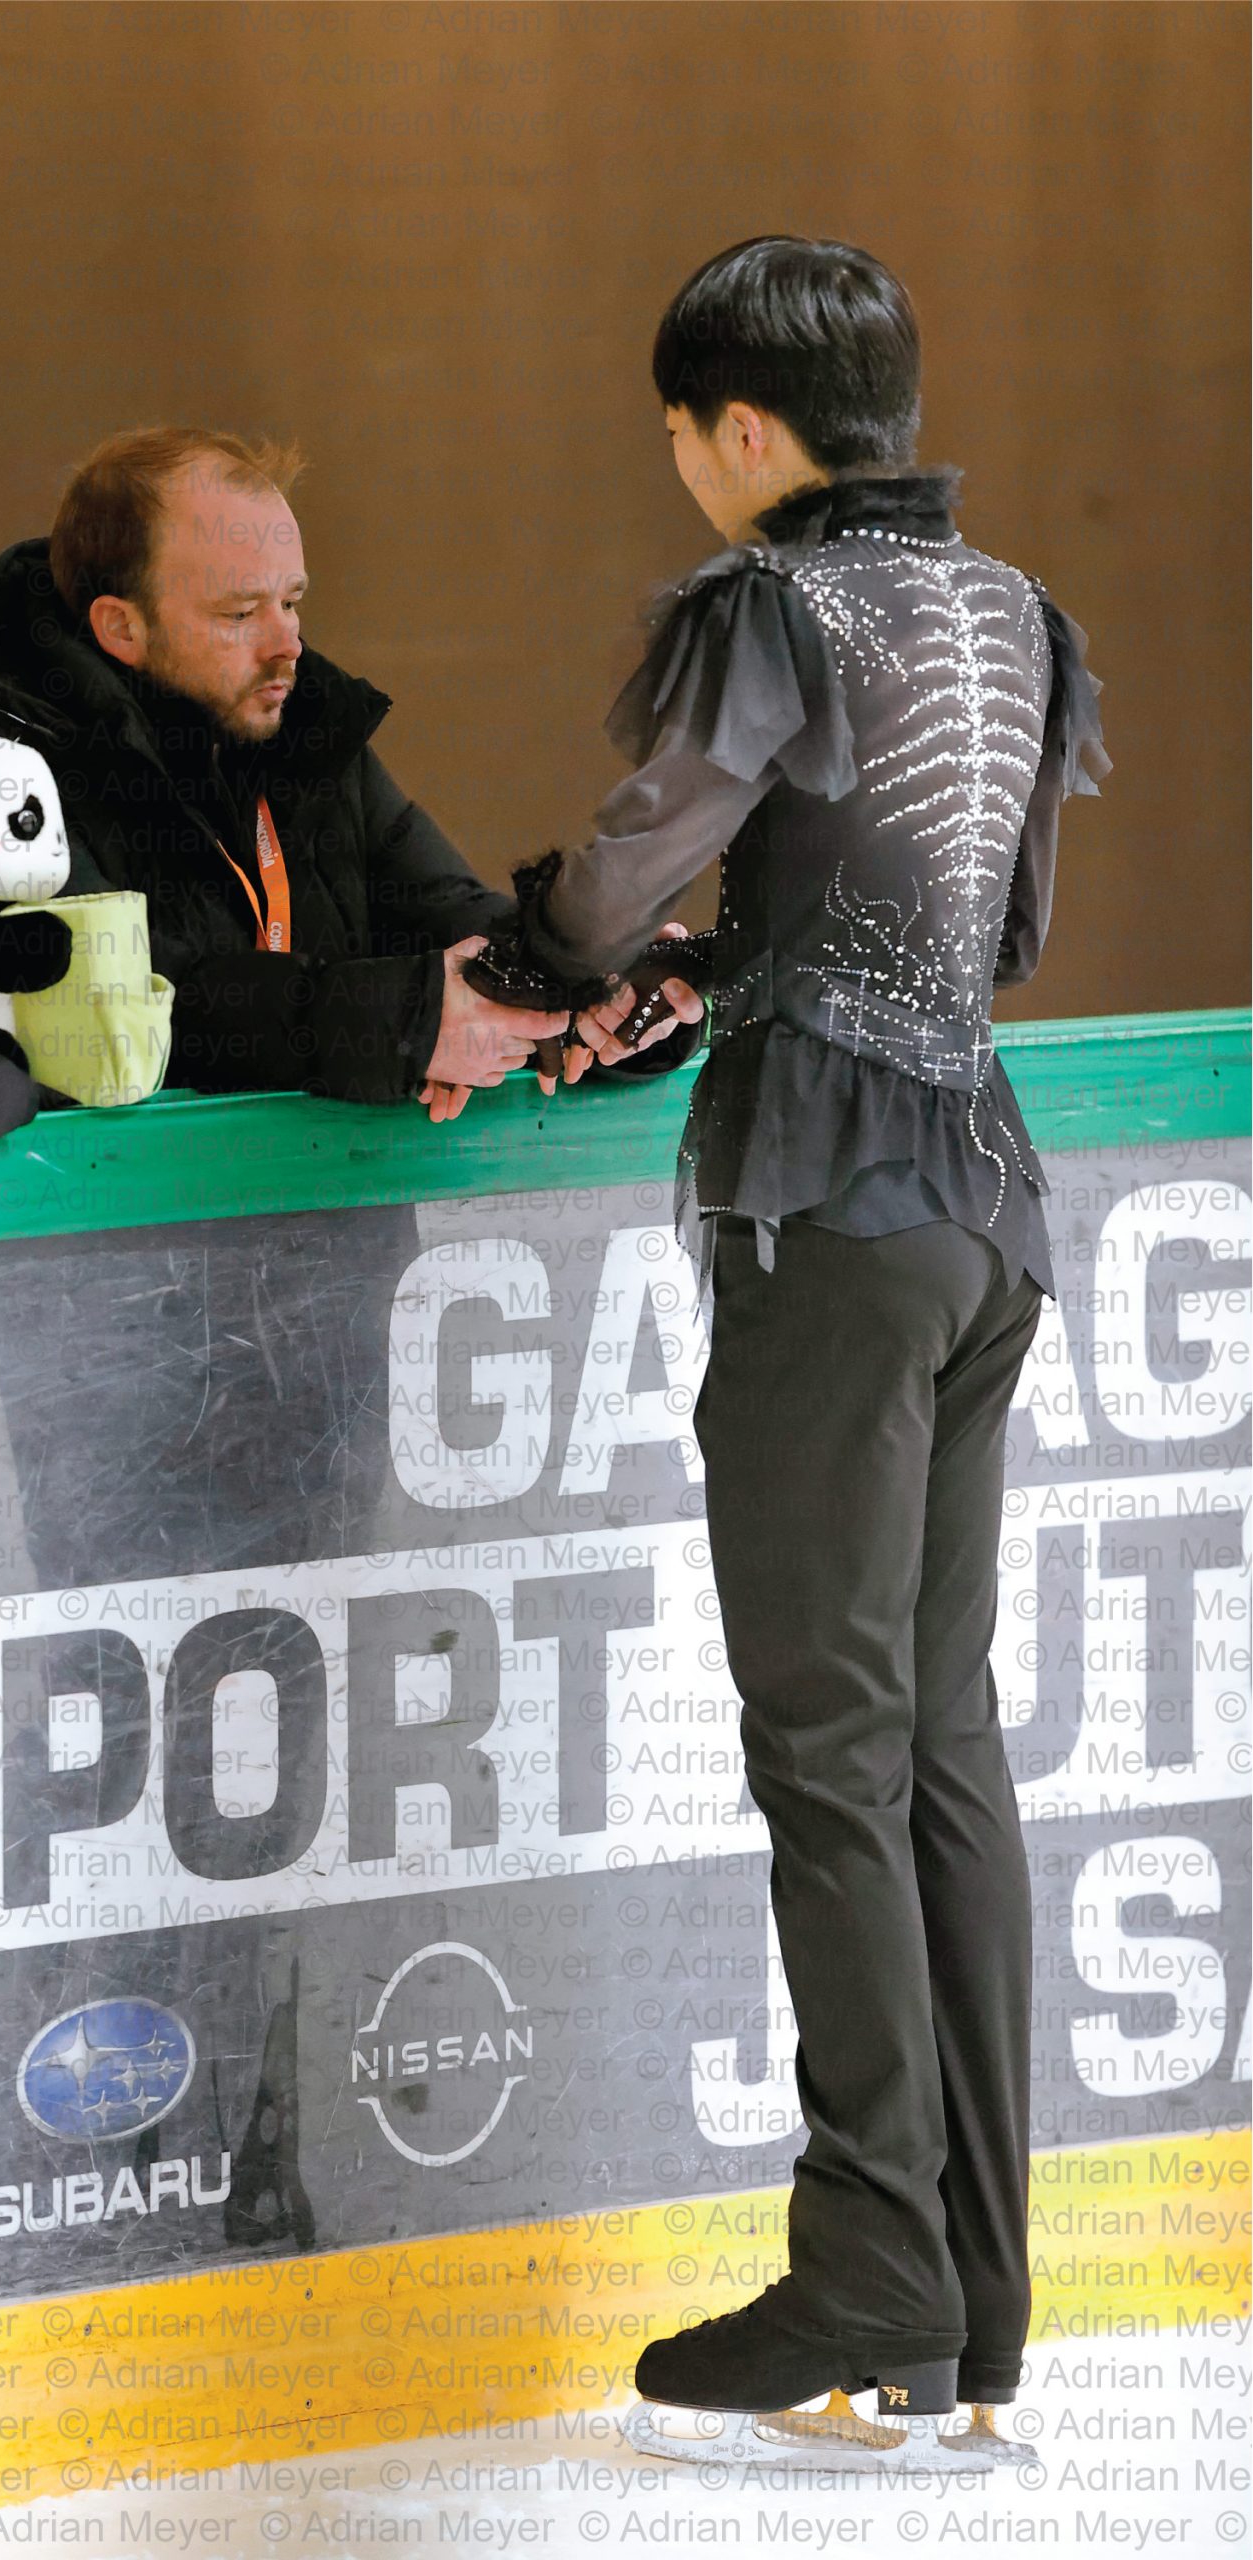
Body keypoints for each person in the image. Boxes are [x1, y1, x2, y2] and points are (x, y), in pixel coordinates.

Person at [474, 236, 1109, 2427]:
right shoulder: (1016, 615)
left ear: (738, 429)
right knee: (936, 1743)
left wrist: (553, 948)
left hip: (825, 1222)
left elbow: (629, 863)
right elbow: (992, 921)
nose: (679, 474)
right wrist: (749, 954)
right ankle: (968, 2294)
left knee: (825, 1749)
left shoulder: (767, 604)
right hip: (984, 1209)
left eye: (676, 435)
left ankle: (860, 2258)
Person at [0, 427, 700, 1116]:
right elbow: (123, 1009)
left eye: (293, 600)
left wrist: (588, 984)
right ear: (121, 629)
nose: (289, 645)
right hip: (103, 1263)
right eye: (241, 614)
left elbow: (444, 918)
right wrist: (407, 1025)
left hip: (330, 1253)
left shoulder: (297, 718)